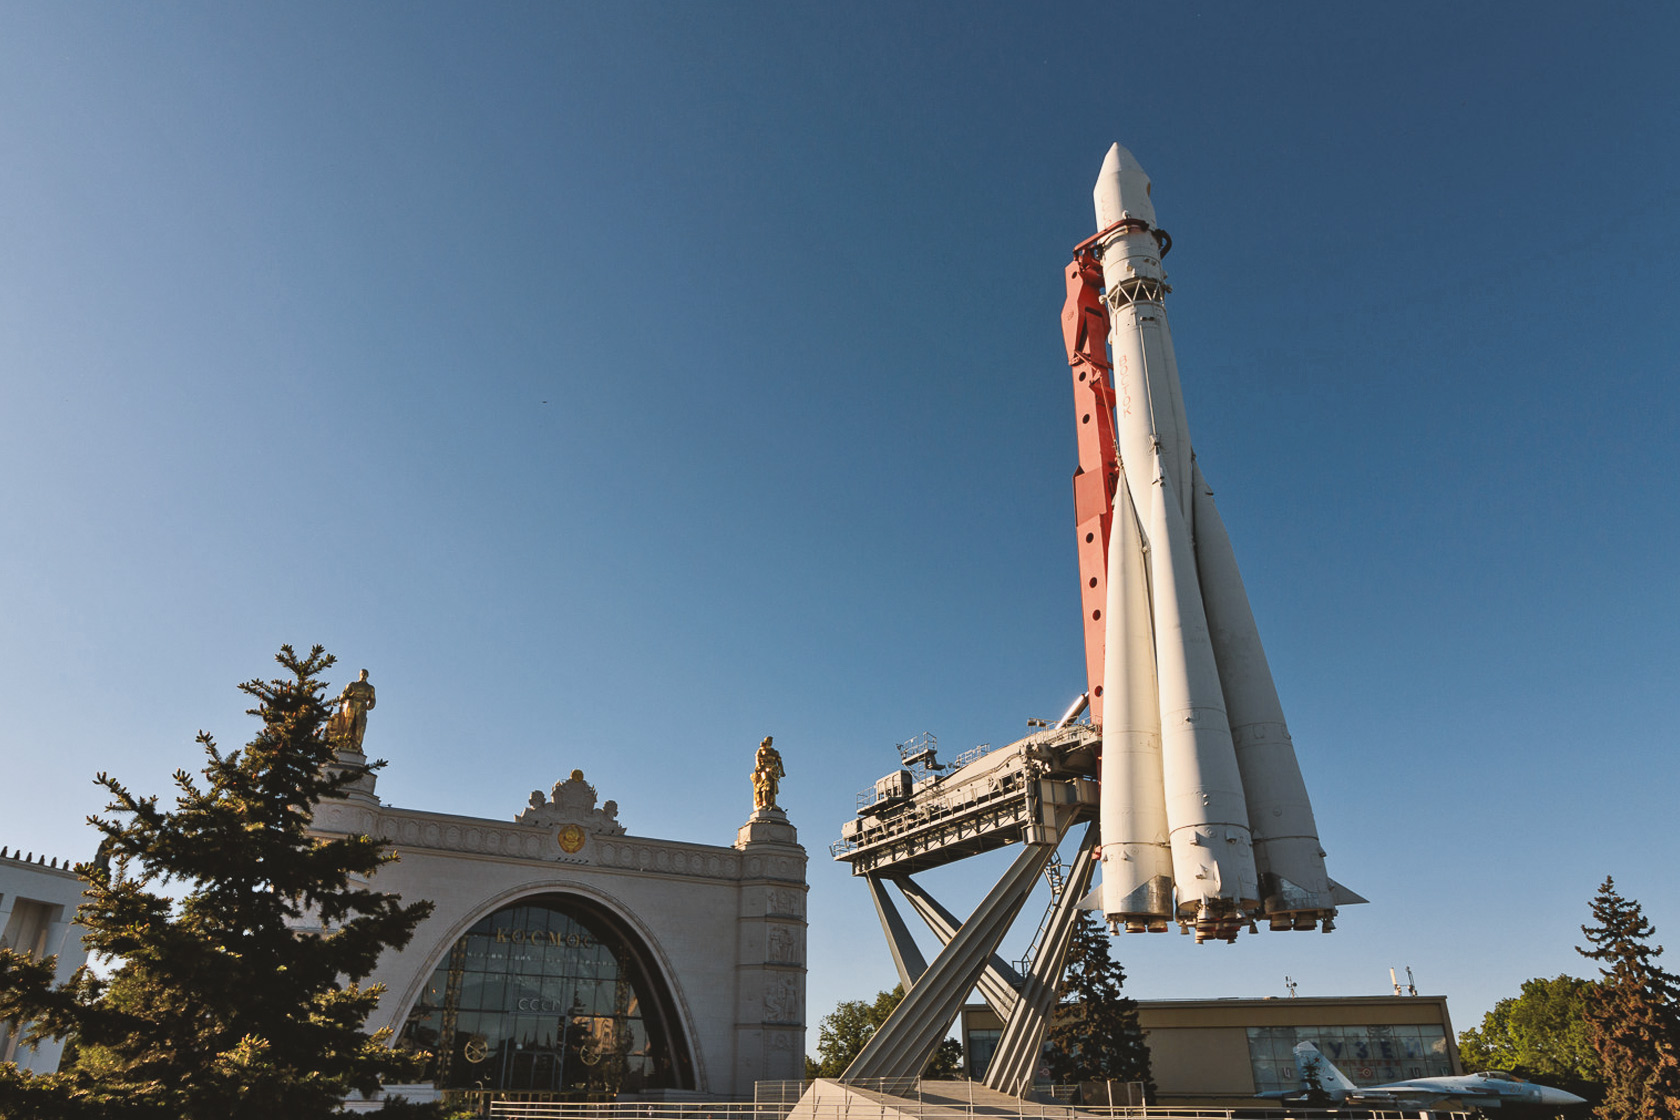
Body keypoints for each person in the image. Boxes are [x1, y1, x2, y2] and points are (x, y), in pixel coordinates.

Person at [328, 669, 376, 751]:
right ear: (359, 674)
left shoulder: (370, 688)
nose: (363, 675)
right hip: (351, 703)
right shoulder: (353, 684)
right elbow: (344, 695)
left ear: (367, 676)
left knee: (360, 725)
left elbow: (373, 699)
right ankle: (344, 741)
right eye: (362, 673)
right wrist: (344, 697)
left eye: (365, 673)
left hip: (362, 706)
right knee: (348, 723)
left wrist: (370, 705)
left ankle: (357, 744)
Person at [751, 736, 785, 812]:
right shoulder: (761, 750)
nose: (770, 742)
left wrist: (782, 771)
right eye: (768, 740)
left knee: (773, 787)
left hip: (773, 770)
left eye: (771, 741)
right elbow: (757, 759)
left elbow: (779, 761)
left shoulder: (774, 752)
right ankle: (765, 803)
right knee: (767, 784)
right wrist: (759, 766)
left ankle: (772, 804)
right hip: (764, 769)